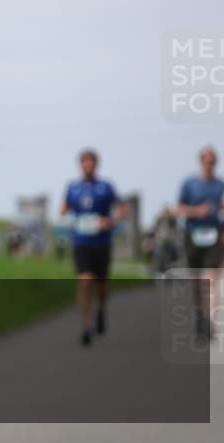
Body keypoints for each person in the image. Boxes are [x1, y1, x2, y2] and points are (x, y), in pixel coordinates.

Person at [59, 148, 128, 347]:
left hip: (101, 243)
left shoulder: (106, 187)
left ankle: (101, 310)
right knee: (85, 280)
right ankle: (85, 326)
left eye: (91, 162)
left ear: (96, 165)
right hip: (81, 241)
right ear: (81, 165)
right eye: (85, 162)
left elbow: (123, 209)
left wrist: (110, 221)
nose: (88, 165)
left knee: (101, 285)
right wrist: (64, 211)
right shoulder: (73, 187)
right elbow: (64, 207)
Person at [175, 146, 224, 337]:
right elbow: (179, 208)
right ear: (201, 162)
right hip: (193, 235)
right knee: (196, 280)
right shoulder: (189, 184)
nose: (209, 163)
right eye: (207, 160)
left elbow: (220, 205)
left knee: (211, 279)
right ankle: (199, 316)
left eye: (212, 160)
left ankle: (210, 322)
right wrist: (197, 211)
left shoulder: (220, 184)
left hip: (213, 235)